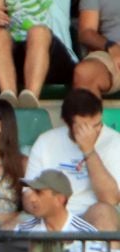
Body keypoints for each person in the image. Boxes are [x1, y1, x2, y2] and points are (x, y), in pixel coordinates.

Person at [24, 88, 120, 231]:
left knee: (104, 215)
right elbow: (28, 194)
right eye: (83, 127)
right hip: (51, 211)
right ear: (66, 122)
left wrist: (89, 151)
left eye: (96, 125)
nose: (93, 132)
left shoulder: (113, 141)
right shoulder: (46, 141)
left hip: (91, 212)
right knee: (8, 228)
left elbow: (110, 199)